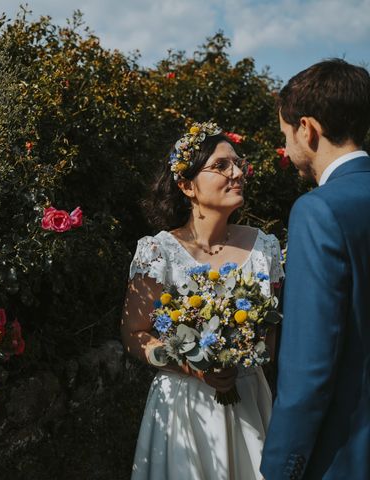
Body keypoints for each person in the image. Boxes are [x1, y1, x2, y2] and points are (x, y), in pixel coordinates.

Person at [122, 121, 284, 480]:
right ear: (186, 185)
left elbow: (269, 341)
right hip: (183, 404)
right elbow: (135, 334)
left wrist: (241, 357)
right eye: (222, 166)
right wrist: (194, 366)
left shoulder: (265, 248)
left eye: (238, 163)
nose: (238, 172)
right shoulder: (158, 251)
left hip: (248, 399)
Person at [260, 59, 370, 479]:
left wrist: (280, 470)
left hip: (346, 456)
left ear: (307, 129)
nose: (287, 149)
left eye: (285, 136)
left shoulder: (319, 211)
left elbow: (309, 370)